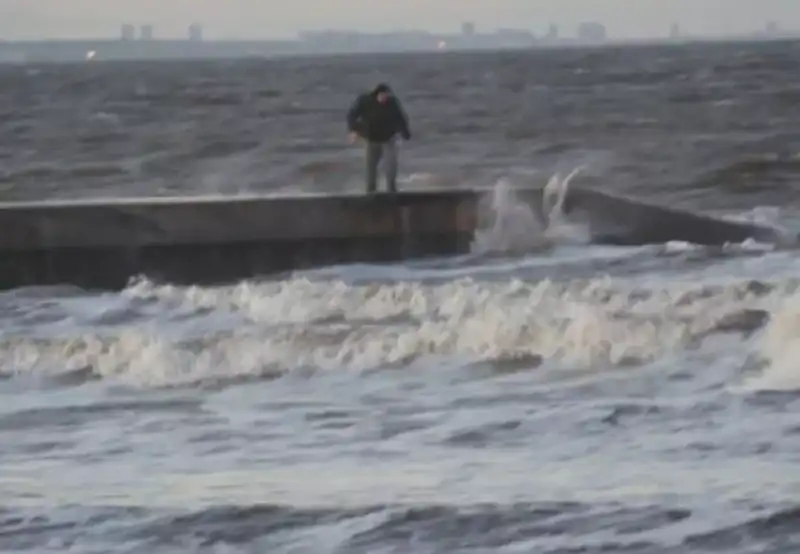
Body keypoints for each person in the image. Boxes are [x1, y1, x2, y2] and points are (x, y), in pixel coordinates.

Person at [346, 83, 411, 193]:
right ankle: (371, 190)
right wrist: (353, 130)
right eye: (383, 96)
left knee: (391, 165)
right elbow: (351, 115)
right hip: (371, 140)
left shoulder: (392, 103)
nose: (385, 98)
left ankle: (392, 189)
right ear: (377, 94)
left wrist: (405, 134)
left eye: (387, 95)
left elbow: (401, 119)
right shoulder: (365, 101)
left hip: (388, 139)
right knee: (370, 166)